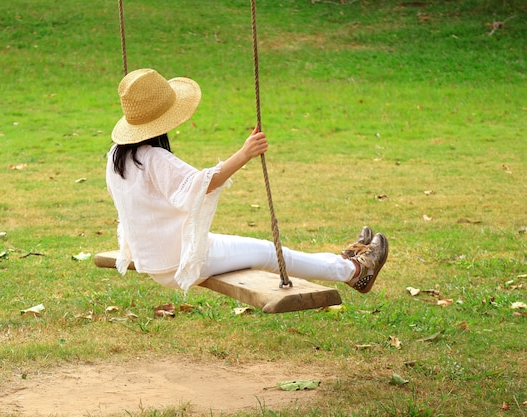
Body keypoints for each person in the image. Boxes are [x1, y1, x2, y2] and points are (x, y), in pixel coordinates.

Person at [106, 68, 388, 293]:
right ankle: (355, 272)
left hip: (158, 257)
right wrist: (244, 153)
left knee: (259, 249)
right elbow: (203, 183)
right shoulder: (154, 158)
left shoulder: (117, 156)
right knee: (268, 252)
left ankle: (341, 262)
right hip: (180, 261)